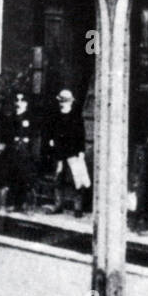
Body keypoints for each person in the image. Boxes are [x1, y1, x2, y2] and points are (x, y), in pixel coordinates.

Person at [44, 88, 88, 216]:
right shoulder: (55, 115)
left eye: (65, 101)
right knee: (58, 178)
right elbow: (50, 130)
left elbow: (81, 135)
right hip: (59, 151)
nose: (62, 103)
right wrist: (51, 140)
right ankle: (58, 205)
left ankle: (78, 208)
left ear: (70, 102)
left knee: (77, 179)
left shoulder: (76, 117)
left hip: (73, 151)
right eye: (61, 101)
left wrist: (81, 151)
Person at [2, 91, 34, 211]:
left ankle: (22, 203)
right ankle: (10, 203)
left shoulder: (30, 117)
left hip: (25, 150)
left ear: (26, 103)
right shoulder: (12, 117)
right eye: (18, 100)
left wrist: (27, 140)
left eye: (23, 101)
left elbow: (33, 132)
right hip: (13, 150)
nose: (20, 103)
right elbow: (8, 132)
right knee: (12, 175)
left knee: (24, 176)